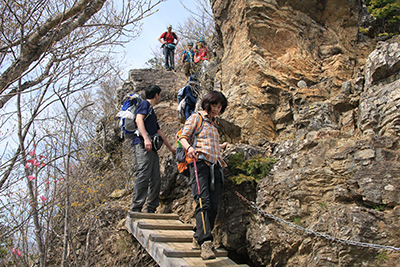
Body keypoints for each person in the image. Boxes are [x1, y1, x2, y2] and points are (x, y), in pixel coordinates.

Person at [178, 91, 228, 260]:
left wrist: (220, 147)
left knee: (213, 206)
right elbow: (183, 137)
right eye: (214, 105)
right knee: (203, 202)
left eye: (220, 107)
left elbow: (208, 143)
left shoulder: (214, 124)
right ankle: (206, 243)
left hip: (215, 167)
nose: (217, 109)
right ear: (207, 103)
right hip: (199, 165)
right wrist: (189, 148)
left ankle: (197, 234)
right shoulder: (196, 118)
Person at [130, 85, 175, 213]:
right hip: (142, 144)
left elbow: (158, 131)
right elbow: (139, 120)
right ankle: (136, 208)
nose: (160, 97)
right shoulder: (144, 104)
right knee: (143, 174)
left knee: (155, 177)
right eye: (160, 95)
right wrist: (146, 138)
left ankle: (150, 208)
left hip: (151, 148)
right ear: (156, 95)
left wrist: (170, 148)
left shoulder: (151, 110)